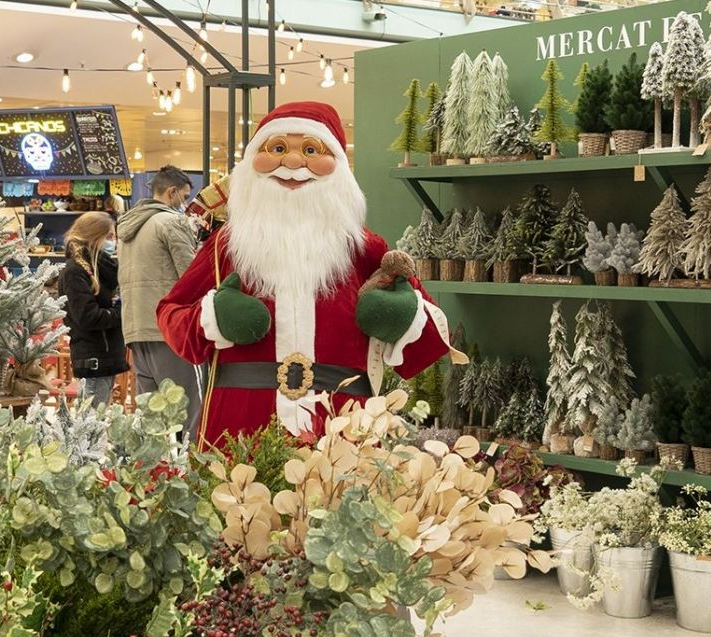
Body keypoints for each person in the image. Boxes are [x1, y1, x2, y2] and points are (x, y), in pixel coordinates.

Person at [157, 101, 457, 448]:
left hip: (340, 430)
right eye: (278, 148)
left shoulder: (364, 249)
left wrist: (400, 314)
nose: (294, 163)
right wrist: (212, 319)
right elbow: (170, 314)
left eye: (312, 150)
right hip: (241, 425)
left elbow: (430, 343)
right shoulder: (227, 247)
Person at [118, 165, 203, 433]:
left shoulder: (128, 229)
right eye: (185, 196)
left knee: (153, 417)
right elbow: (191, 278)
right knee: (188, 411)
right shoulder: (171, 222)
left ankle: (158, 473)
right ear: (172, 192)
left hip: (135, 329)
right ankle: (190, 472)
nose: (186, 203)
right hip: (168, 330)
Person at [59, 212, 128, 407]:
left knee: (96, 422)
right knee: (90, 427)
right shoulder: (74, 271)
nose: (113, 242)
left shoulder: (103, 269)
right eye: (109, 237)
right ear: (93, 237)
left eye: (114, 237)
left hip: (107, 356)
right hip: (93, 360)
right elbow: (88, 317)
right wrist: (121, 311)